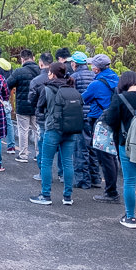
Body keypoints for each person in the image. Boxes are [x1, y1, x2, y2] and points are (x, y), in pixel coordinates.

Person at [100, 71, 136, 229]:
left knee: (129, 181)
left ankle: (130, 217)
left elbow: (110, 120)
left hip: (126, 144)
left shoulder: (120, 98)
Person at [30, 62, 81, 205]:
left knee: (46, 161)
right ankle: (67, 197)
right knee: (67, 162)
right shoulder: (71, 87)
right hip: (70, 130)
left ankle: (45, 195)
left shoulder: (47, 89)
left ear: (52, 74)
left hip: (53, 129)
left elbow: (39, 107)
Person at [82, 54, 120, 203]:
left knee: (105, 157)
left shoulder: (96, 84)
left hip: (101, 121)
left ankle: (111, 192)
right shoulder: (116, 79)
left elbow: (83, 99)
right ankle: (112, 190)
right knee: (112, 156)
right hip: (114, 120)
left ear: (96, 68)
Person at [69, 51, 100, 189]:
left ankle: (83, 180)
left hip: (81, 117)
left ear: (74, 64)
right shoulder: (94, 75)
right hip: (94, 116)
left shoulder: (74, 77)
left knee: (81, 149)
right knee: (93, 148)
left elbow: (72, 98)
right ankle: (96, 178)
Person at [6, 49, 41, 164]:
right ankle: (38, 154)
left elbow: (7, 85)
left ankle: (23, 155)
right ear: (33, 58)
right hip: (38, 105)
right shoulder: (41, 71)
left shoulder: (18, 72)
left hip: (22, 105)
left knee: (23, 130)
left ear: (22, 59)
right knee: (37, 130)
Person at [28, 52, 55, 181]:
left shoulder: (36, 81)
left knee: (42, 145)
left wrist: (38, 106)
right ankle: (61, 174)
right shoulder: (60, 77)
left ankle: (42, 173)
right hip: (57, 117)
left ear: (40, 63)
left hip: (42, 116)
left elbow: (31, 99)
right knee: (61, 149)